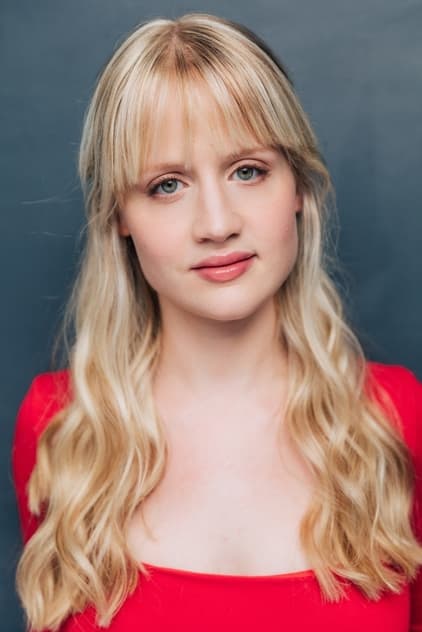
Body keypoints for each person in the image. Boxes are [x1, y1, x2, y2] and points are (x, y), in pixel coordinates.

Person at [12, 12, 422, 632]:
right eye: (166, 185)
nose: (217, 223)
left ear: (297, 187)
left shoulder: (396, 417)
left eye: (247, 171)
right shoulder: (62, 431)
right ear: (118, 215)